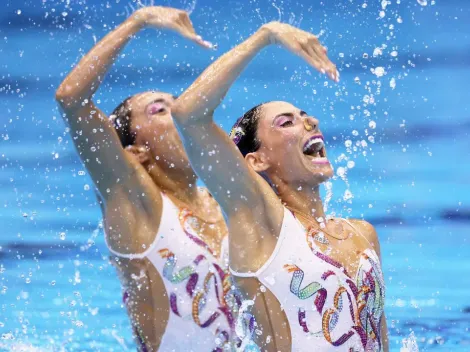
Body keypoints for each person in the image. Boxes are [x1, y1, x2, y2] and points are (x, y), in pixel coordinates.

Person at [171, 21, 389, 351]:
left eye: (305, 117)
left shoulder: (363, 234)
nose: (309, 122)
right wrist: (265, 36)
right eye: (286, 122)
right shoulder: (262, 225)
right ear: (257, 161)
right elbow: (188, 115)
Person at [55, 6, 237, 351]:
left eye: (180, 105)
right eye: (160, 110)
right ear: (136, 151)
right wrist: (137, 21)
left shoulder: (225, 203)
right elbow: (71, 100)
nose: (180, 116)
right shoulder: (134, 202)